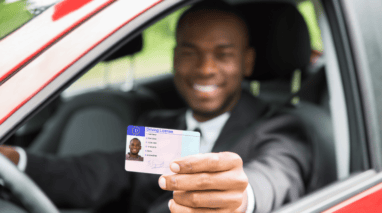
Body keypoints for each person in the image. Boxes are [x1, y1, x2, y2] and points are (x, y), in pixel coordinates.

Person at [0, 1, 312, 212]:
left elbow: (274, 177)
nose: (205, 69)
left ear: (247, 62)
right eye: (190, 52)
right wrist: (17, 160)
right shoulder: (159, 125)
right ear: (175, 58)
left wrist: (240, 199)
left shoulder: (280, 128)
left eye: (223, 54)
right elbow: (100, 174)